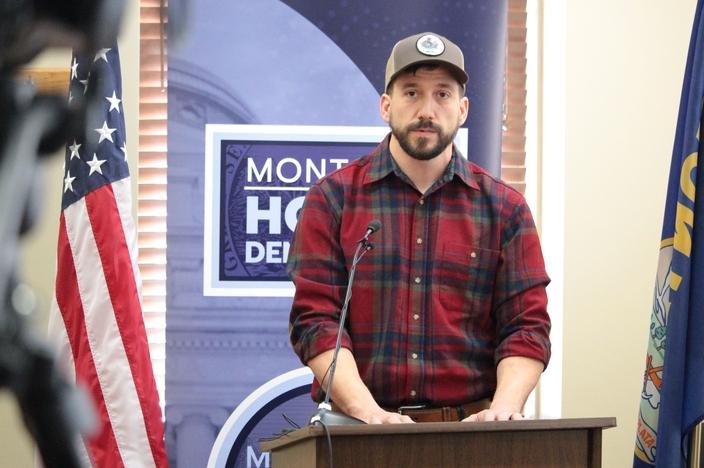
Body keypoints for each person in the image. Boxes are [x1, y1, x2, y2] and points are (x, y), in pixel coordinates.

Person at [287, 32, 551, 424]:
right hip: (358, 432)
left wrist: (503, 411)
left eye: (442, 95)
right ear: (386, 105)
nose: (427, 110)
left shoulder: (505, 210)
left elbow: (526, 326)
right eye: (411, 93)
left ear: (462, 110)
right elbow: (316, 322)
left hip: (472, 437)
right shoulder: (332, 200)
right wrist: (369, 413)